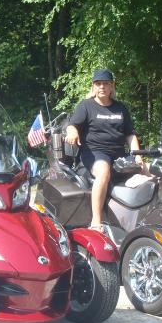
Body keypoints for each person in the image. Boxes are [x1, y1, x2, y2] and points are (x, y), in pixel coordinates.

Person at [64, 69, 142, 230]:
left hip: (119, 153)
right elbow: (72, 125)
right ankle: (96, 221)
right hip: (94, 152)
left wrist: (137, 156)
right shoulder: (86, 106)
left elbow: (130, 134)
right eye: (98, 84)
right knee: (104, 172)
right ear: (93, 87)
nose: (102, 87)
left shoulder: (120, 108)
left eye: (106, 84)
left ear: (112, 86)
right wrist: (72, 132)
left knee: (150, 169)